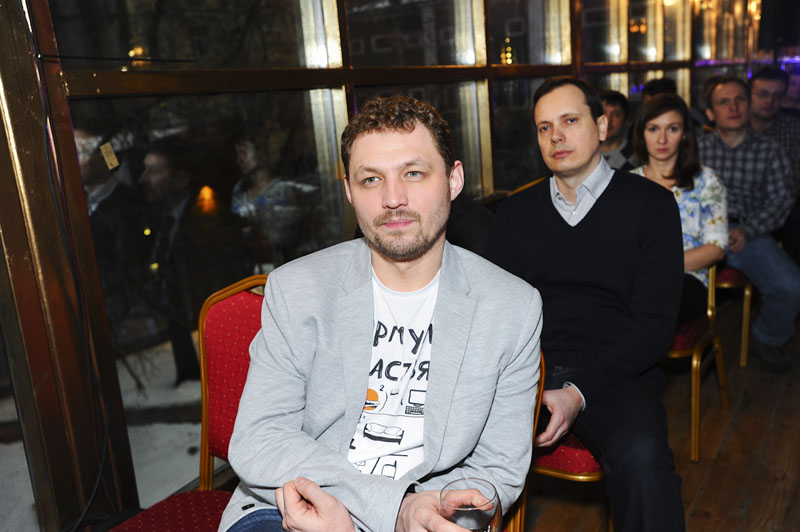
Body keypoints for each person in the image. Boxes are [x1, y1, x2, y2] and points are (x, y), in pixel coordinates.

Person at [219, 95, 543, 532]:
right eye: (371, 179)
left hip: (429, 509)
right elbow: (259, 438)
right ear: (349, 192)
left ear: (453, 180)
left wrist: (429, 511)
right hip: (293, 505)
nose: (393, 198)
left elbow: (498, 467)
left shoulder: (512, 307)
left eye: (413, 173)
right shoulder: (297, 289)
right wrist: (391, 507)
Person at [489, 76, 686, 532]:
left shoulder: (652, 205)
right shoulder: (515, 214)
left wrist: (578, 392)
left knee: (643, 460)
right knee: (449, 448)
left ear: (601, 126)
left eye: (569, 121)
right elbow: (498, 318)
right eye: (544, 128)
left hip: (618, 368)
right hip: (529, 368)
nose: (555, 136)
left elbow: (656, 326)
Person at [698, 76, 800, 372]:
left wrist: (749, 230)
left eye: (740, 99)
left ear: (749, 105)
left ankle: (768, 336)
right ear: (710, 113)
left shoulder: (770, 150)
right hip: (698, 235)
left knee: (791, 286)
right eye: (724, 102)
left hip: (748, 234)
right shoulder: (696, 149)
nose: (733, 107)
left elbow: (782, 200)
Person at [139, 135, 250, 385]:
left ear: (181, 179)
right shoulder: (159, 219)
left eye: (154, 171)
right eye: (145, 169)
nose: (144, 178)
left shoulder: (206, 223)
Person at [630, 93, 728, 322]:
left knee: (650, 303)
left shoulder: (706, 181)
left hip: (688, 279)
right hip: (633, 279)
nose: (662, 139)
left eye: (672, 129)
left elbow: (716, 248)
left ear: (684, 134)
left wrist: (658, 266)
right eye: (653, 129)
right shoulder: (627, 184)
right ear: (642, 133)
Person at [748, 66, 800, 264]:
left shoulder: (793, 128)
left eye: (777, 96)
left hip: (786, 206)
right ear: (749, 95)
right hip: (743, 205)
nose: (770, 101)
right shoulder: (735, 126)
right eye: (763, 94)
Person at [599, 89, 636, 170]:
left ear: (625, 120)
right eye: (603, 113)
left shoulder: (635, 156)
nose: (608, 120)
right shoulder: (585, 152)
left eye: (616, 114)